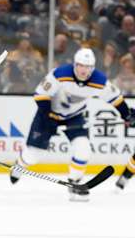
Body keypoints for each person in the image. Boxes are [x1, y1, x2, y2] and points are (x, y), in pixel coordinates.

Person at [10, 48, 134, 202]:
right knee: (33, 156)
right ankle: (19, 165)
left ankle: (74, 184)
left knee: (83, 150)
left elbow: (115, 99)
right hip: (47, 114)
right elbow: (41, 95)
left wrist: (127, 115)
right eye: (81, 65)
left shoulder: (100, 81)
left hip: (74, 116)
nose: (84, 70)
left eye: (88, 67)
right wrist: (50, 117)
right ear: (75, 64)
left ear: (93, 67)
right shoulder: (59, 74)